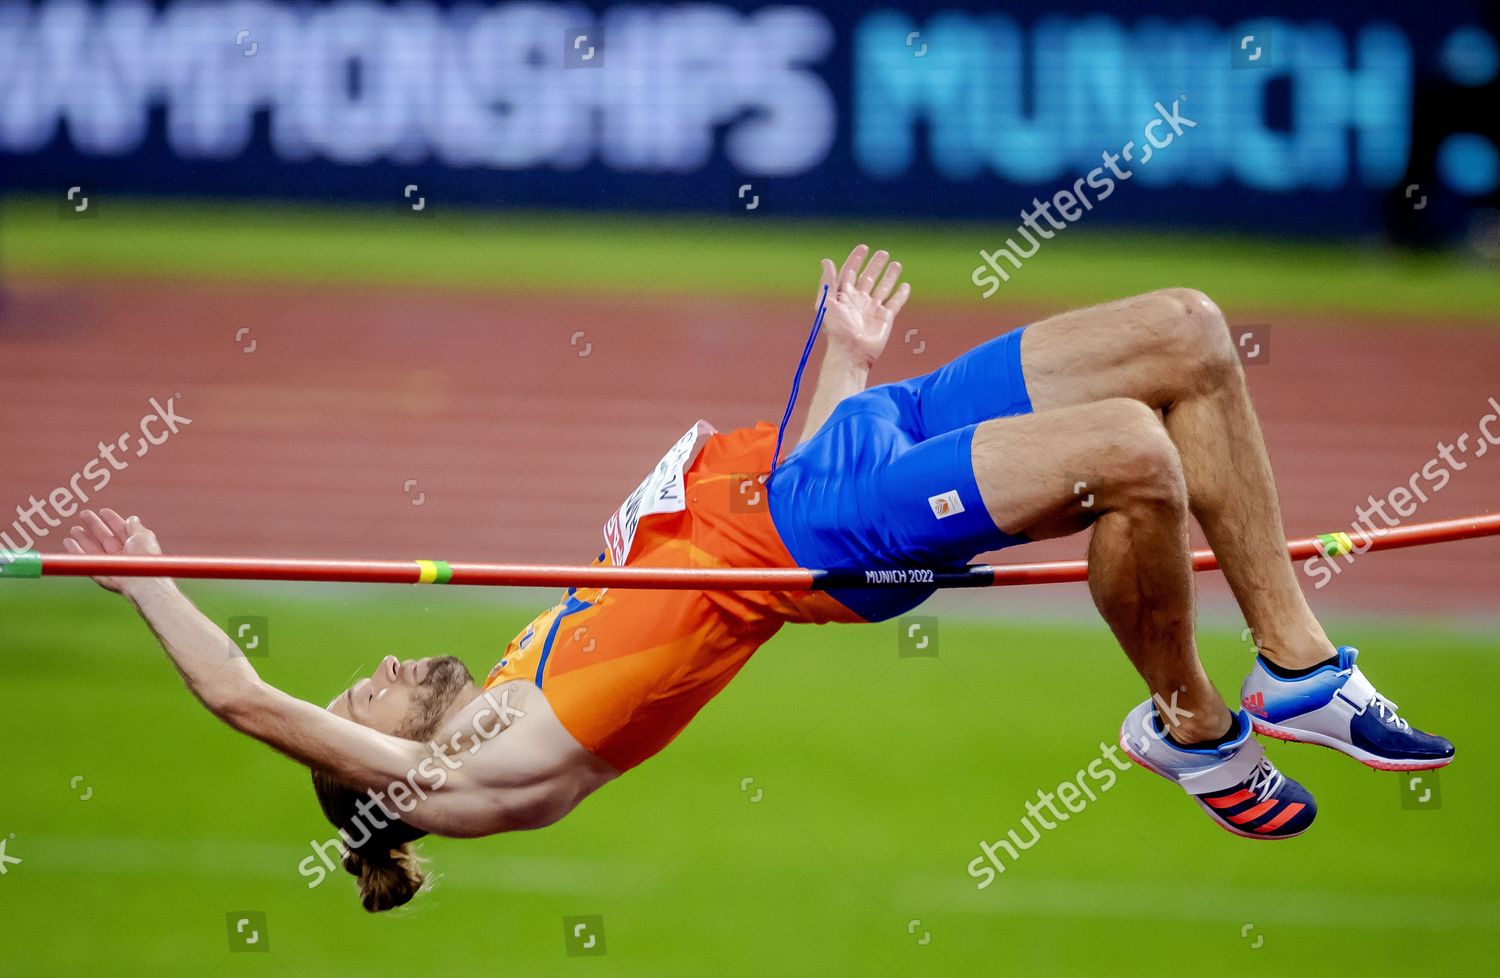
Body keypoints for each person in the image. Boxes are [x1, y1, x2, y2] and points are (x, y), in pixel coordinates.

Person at [66, 244, 1452, 911]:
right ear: (379, 766)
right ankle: (1192, 729)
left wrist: (840, 359)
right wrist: (155, 587)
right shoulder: (477, 770)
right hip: (833, 531)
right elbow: (249, 700)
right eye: (358, 697)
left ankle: (1300, 666)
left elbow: (733, 533)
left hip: (829, 458)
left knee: (1192, 336)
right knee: (1133, 456)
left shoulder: (514, 665)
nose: (372, 671)